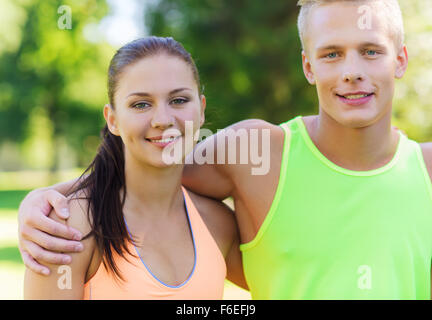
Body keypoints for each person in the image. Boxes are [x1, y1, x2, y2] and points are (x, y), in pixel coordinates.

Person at [19, 0, 432, 299]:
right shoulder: (255, 153)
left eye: (371, 51)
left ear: (400, 60)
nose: (352, 72)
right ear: (309, 67)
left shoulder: (427, 169)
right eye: (332, 54)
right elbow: (148, 168)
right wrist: (48, 199)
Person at [22, 36, 247, 299]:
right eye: (141, 104)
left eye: (179, 100)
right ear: (113, 119)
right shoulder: (69, 229)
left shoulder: (218, 224)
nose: (163, 120)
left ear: (201, 109)